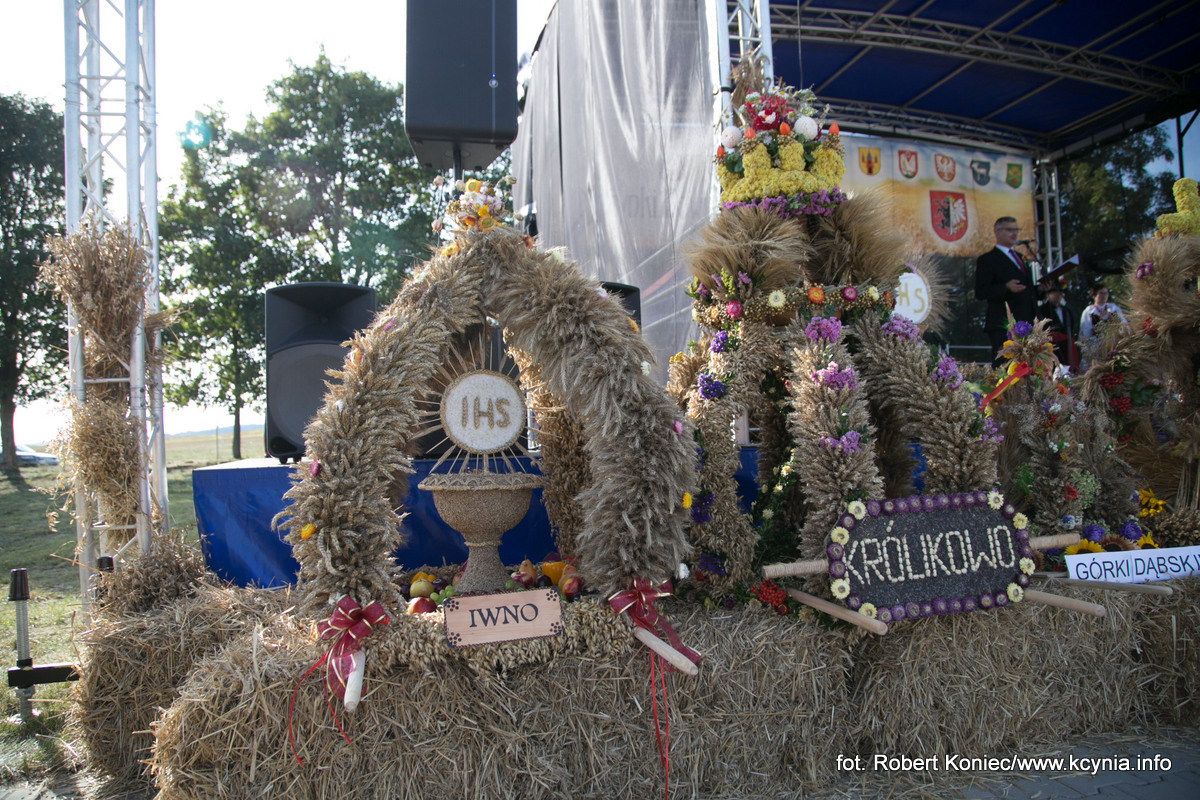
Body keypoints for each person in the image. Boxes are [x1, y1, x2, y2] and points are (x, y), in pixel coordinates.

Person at [975, 217, 1037, 365]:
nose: (1014, 234)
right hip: (1003, 322)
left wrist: (1041, 289)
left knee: (1029, 367)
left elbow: (1027, 288)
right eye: (1009, 230)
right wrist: (1005, 287)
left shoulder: (1021, 257)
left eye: (1016, 230)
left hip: (1027, 320)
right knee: (1006, 367)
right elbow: (980, 291)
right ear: (997, 232)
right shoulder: (988, 259)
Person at [1036, 279, 1079, 373]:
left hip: (1066, 347)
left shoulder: (1066, 310)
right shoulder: (1042, 310)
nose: (1057, 295)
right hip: (1051, 346)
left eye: (1059, 292)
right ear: (1047, 294)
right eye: (1054, 292)